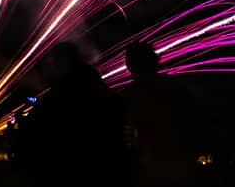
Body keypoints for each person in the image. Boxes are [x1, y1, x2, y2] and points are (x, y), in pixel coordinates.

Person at [17, 43, 124, 185]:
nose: (52, 67)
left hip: (68, 167)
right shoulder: (98, 87)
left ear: (62, 61)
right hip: (105, 165)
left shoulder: (61, 92)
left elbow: (41, 128)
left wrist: (23, 121)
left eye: (54, 62)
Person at [123, 41, 198, 186]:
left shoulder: (131, 93)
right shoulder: (175, 86)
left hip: (152, 161)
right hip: (178, 158)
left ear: (131, 65)